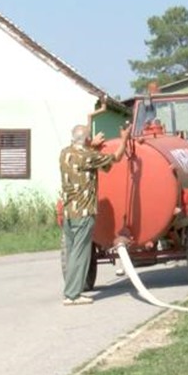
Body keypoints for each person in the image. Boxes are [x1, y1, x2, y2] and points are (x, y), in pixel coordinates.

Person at [59, 123, 130, 305]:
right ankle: (73, 295)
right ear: (87, 139)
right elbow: (116, 157)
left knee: (73, 252)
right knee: (80, 254)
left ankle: (70, 291)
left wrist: (90, 144)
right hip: (84, 213)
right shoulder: (88, 156)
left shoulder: (65, 153)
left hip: (68, 213)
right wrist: (124, 139)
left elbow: (82, 154)